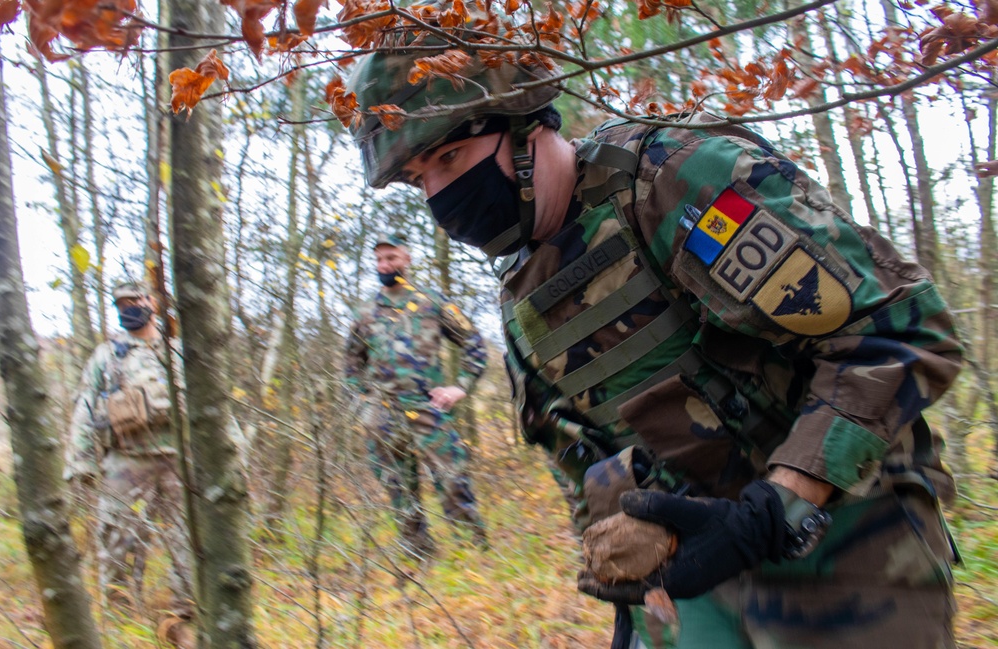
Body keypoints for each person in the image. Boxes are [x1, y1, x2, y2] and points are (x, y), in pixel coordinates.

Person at [339, 21, 965, 649]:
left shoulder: (675, 182)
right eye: (421, 179)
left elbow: (899, 332)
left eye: (450, 157)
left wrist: (776, 506)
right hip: (697, 597)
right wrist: (635, 613)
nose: (443, 196)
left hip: (848, 557)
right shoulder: (522, 297)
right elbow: (592, 464)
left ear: (523, 119)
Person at [66, 281, 194, 649]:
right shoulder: (107, 355)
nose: (130, 308)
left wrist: (231, 452)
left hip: (177, 461)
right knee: (116, 539)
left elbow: (208, 403)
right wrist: (81, 463)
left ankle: (182, 618)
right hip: (125, 462)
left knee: (186, 541)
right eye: (122, 303)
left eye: (136, 300)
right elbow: (85, 408)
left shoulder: (178, 352)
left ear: (152, 303)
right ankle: (121, 618)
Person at [345, 233, 489, 558]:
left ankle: (474, 557)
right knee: (399, 488)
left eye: (392, 258)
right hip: (384, 416)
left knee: (453, 483)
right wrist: (363, 405)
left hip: (429, 409)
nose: (385, 265)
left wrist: (460, 386)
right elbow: (351, 366)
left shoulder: (431, 301)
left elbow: (474, 343)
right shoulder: (365, 312)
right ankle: (418, 556)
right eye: (379, 259)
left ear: (407, 259)